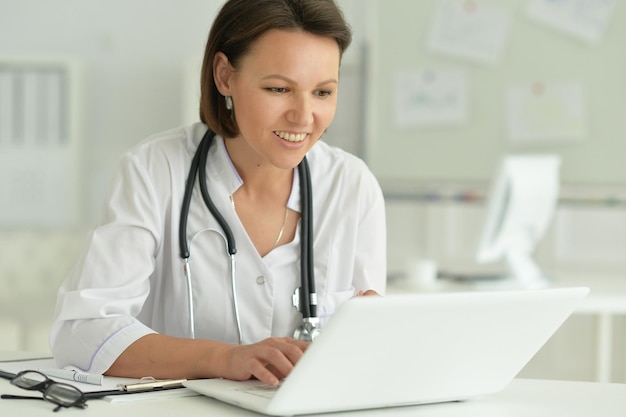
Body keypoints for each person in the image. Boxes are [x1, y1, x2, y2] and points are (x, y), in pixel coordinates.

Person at [50, 0, 386, 387]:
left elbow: (369, 334)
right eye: (279, 88)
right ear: (225, 76)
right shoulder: (155, 170)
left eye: (323, 93)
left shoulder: (352, 186)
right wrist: (225, 358)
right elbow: (83, 333)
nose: (303, 115)